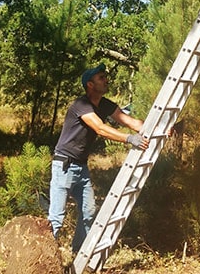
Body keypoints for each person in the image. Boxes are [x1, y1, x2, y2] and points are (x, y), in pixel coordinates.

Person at [48, 63, 149, 254]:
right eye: (101, 78)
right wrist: (128, 138)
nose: (106, 80)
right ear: (90, 85)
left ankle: (78, 254)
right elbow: (100, 128)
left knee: (89, 212)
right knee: (57, 217)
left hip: (81, 166)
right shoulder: (81, 105)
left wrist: (159, 129)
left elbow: (132, 122)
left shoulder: (105, 104)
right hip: (64, 165)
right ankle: (44, 260)